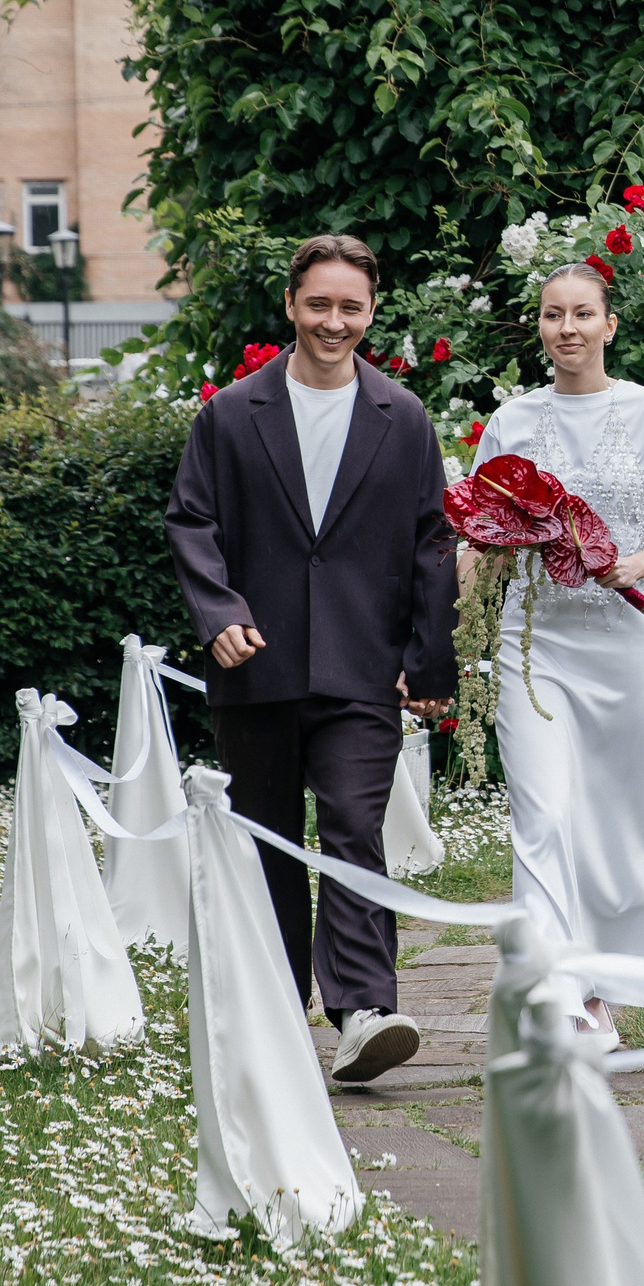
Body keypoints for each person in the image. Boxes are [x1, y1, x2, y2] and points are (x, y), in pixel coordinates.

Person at [166, 234, 459, 1084]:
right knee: (265, 844)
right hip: (255, 669)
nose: (335, 321)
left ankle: (364, 1010)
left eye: (352, 307)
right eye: (320, 304)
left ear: (372, 313)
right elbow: (192, 523)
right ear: (292, 306)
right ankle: (274, 1004)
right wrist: (218, 613)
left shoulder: (402, 418)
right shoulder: (230, 415)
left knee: (354, 831)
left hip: (362, 671)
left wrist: (426, 661)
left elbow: (431, 544)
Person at [468, 261, 644, 1047]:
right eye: (551, 315)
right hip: (534, 642)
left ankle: (605, 985)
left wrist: (633, 565)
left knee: (618, 820)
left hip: (625, 640)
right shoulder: (511, 421)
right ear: (538, 327)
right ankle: (559, 993)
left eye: (581, 314)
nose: (565, 328)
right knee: (541, 813)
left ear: (610, 325)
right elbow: (478, 531)